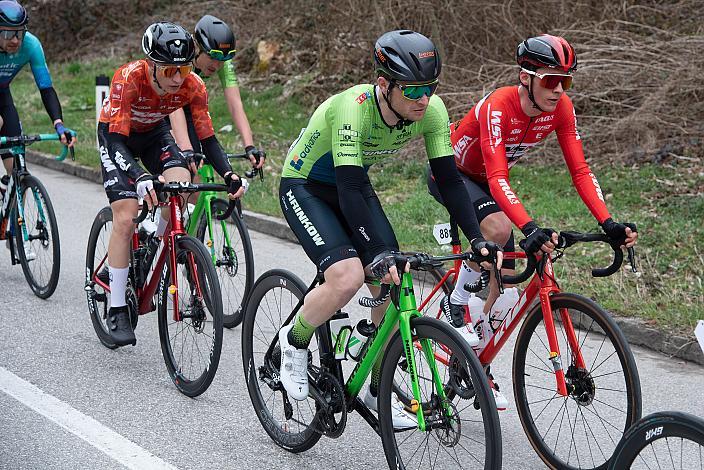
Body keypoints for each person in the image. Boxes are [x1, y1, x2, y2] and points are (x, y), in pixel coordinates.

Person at [278, 30, 500, 427]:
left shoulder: (432, 112)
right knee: (346, 277)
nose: (424, 100)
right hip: (307, 185)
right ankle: (292, 344)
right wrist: (372, 254)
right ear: (384, 84)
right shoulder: (354, 108)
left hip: (353, 184)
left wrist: (478, 238)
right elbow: (344, 188)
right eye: (413, 91)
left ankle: (376, 388)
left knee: (395, 285)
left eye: (430, 88)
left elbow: (449, 181)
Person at [427, 34, 639, 410]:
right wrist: (529, 228)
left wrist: (607, 222)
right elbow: (496, 178)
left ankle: (472, 362)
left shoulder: (561, 109)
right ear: (525, 77)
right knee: (498, 230)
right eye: (550, 80)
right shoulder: (498, 106)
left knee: (503, 284)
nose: (559, 90)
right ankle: (455, 303)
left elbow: (580, 170)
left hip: (488, 182)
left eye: (566, 81)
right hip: (453, 176)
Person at [97, 22, 244, 347]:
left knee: (179, 187)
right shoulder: (129, 78)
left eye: (184, 69)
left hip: (153, 135)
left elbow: (207, 137)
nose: (178, 78)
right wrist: (140, 177)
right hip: (117, 137)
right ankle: (118, 306)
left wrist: (229, 174)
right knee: (125, 216)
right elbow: (119, 144)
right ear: (152, 65)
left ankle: (154, 239)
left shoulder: (192, 85)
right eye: (169, 72)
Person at [0, 0, 76, 260]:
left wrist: (59, 123)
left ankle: (16, 232)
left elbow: (45, 87)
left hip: (2, 94)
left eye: (19, 33)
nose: (15, 40)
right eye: (8, 33)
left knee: (16, 167)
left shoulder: (31, 45)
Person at [170, 15, 264, 171]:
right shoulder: (181, 57)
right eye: (213, 56)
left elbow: (235, 105)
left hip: (189, 107)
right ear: (197, 48)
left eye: (223, 58)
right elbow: (174, 108)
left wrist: (249, 146)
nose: (217, 64)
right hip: (165, 107)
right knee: (185, 169)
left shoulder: (222, 61)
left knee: (199, 169)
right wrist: (186, 149)